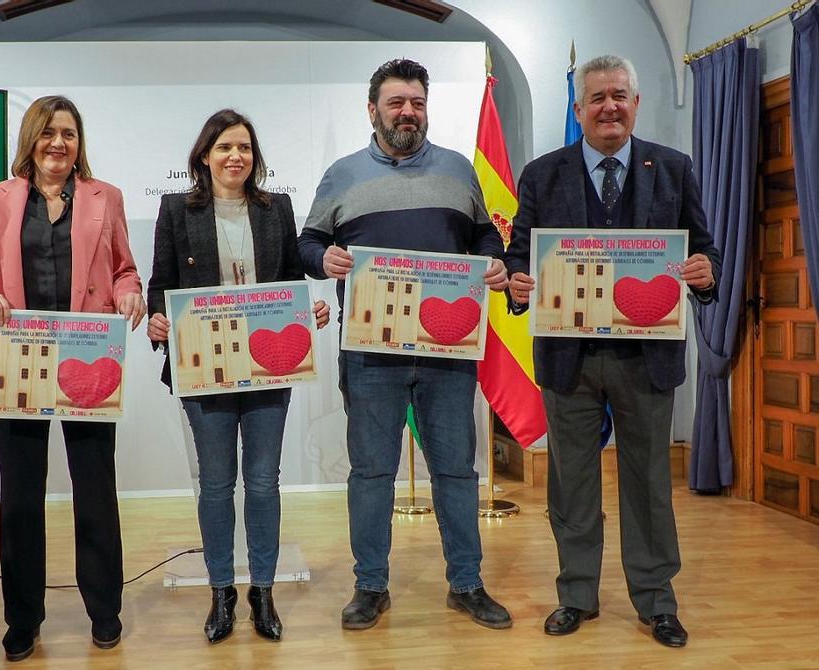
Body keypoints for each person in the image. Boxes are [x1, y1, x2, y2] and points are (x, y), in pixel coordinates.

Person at [505, 55, 720, 649]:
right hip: (567, 356)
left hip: (646, 359)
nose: (610, 107)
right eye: (597, 97)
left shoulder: (673, 168)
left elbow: (704, 249)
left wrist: (705, 274)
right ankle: (576, 595)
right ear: (578, 109)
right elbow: (520, 255)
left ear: (636, 103)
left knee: (649, 481)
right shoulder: (541, 175)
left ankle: (656, 601)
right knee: (571, 482)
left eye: (619, 95)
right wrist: (518, 284)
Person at [297, 59, 513, 631]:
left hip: (449, 352)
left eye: (417, 102)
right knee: (372, 473)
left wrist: (492, 260)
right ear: (373, 110)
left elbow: (485, 236)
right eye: (396, 103)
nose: (407, 113)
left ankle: (466, 584)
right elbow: (307, 242)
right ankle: (370, 587)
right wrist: (323, 258)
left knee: (456, 472)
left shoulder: (459, 169)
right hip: (370, 355)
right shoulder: (342, 174)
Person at [0, 95, 145, 662]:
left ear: (79, 141)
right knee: (19, 499)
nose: (58, 143)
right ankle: (22, 619)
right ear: (31, 139)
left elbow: (124, 270)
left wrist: (129, 294)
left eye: (68, 133)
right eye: (48, 132)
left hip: (88, 362)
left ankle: (105, 611)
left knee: (96, 493)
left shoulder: (106, 196)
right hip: (18, 362)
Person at [146, 109, 331, 644]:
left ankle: (263, 591)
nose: (235, 156)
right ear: (205, 156)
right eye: (225, 147)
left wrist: (308, 313)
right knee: (216, 483)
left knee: (265, 481)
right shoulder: (176, 209)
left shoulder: (278, 209)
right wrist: (158, 319)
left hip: (270, 365)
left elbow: (291, 280)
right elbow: (161, 282)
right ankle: (222, 590)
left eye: (244, 147)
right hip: (204, 366)